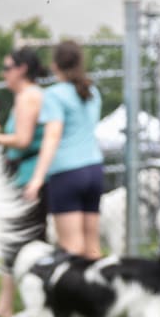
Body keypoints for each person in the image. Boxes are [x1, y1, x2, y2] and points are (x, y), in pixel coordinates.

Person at [0, 47, 49, 317]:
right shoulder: (31, 96)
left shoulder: (28, 97)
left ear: (22, 70)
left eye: (7, 68)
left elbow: (22, 139)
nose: (3, 74)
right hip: (28, 177)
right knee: (30, 242)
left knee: (16, 242)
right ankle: (31, 305)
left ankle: (6, 308)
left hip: (28, 180)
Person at [25, 40, 105, 258]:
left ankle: (73, 293)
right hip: (94, 169)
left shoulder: (54, 95)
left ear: (54, 65)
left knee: (71, 248)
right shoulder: (92, 92)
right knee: (92, 246)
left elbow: (52, 136)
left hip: (67, 173)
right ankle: (96, 293)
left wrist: (37, 178)